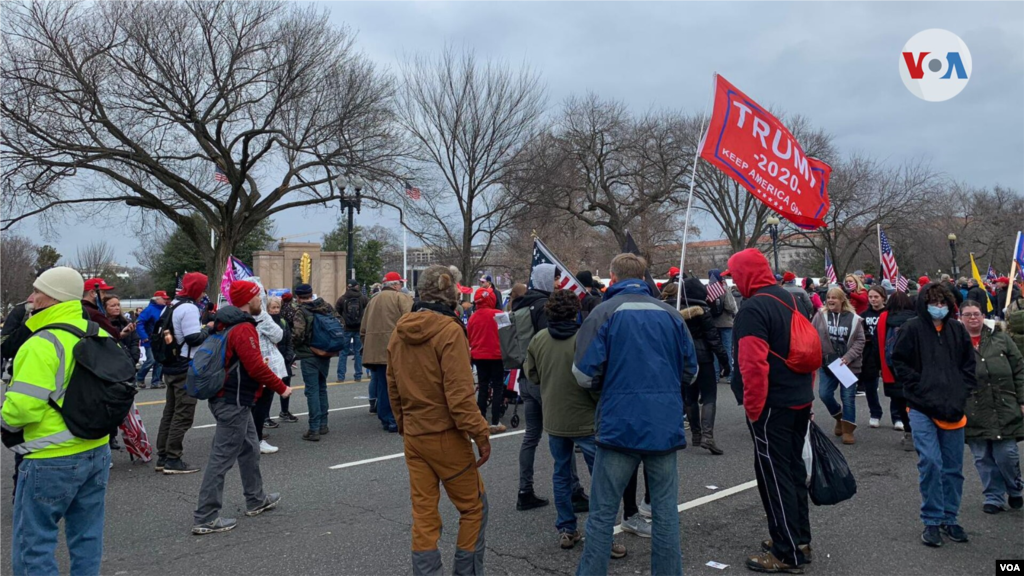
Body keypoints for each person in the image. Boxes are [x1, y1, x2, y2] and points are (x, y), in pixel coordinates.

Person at [573, 253, 697, 576]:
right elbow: (691, 371)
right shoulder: (672, 317)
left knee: (601, 515)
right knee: (666, 515)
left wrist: (607, 386)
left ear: (612, 278)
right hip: (663, 427)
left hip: (618, 426)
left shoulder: (603, 313)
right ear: (643, 278)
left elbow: (583, 374)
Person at [3, 267, 113, 575]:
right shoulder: (99, 334)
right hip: (97, 449)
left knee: (34, 544)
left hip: (50, 456)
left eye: (38, 291)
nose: (32, 297)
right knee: (87, 536)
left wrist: (5, 423)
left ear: (52, 297)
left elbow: (22, 409)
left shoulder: (41, 343)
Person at [386, 265, 490, 575]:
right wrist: (481, 435)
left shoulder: (400, 330)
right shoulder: (449, 330)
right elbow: (460, 397)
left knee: (424, 515)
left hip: (416, 436)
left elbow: (393, 388)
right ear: (450, 292)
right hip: (444, 434)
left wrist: (406, 425)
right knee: (474, 508)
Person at [727, 248, 815, 572]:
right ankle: (798, 537)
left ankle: (785, 551)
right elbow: (809, 347)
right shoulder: (793, 297)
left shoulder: (752, 309)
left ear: (745, 274)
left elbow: (752, 365)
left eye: (735, 275)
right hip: (799, 396)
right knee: (792, 471)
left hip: (771, 403)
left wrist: (753, 408)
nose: (734, 283)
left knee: (773, 476)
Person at [524, 289, 628, 558]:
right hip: (587, 419)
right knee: (602, 480)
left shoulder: (538, 339)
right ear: (575, 312)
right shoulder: (585, 338)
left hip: (555, 418)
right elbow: (595, 377)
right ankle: (603, 536)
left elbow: (531, 374)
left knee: (561, 474)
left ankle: (567, 529)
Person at [192, 280, 292, 535]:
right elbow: (256, 366)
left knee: (249, 449)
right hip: (233, 401)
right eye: (259, 296)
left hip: (230, 398)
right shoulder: (242, 329)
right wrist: (281, 388)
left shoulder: (224, 325)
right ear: (250, 300)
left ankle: (256, 499)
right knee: (221, 458)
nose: (261, 300)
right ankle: (206, 516)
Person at [891, 283, 977, 548]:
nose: (938, 307)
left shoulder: (957, 330)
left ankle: (949, 518)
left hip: (953, 407)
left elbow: (968, 365)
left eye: (943, 302)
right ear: (924, 303)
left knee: (953, 469)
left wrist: (961, 391)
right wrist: (919, 388)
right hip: (921, 407)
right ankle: (931, 520)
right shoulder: (912, 328)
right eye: (934, 302)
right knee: (930, 462)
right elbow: (899, 361)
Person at [959, 300, 1024, 514]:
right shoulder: (957, 343)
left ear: (983, 315)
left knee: (1007, 454)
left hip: (1004, 406)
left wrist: (1022, 400)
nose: (973, 318)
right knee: (982, 457)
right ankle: (993, 496)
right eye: (967, 314)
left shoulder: (1001, 339)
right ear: (960, 318)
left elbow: (1019, 369)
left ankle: (1015, 488)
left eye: (976, 313)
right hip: (973, 408)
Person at [663, 280, 730, 455]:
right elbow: (714, 339)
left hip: (684, 357)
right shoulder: (703, 312)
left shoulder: (672, 312)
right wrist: (724, 362)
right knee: (708, 397)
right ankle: (708, 436)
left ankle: (696, 434)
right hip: (703, 357)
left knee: (690, 396)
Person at [156, 272, 210, 475]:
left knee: (169, 412)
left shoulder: (171, 305)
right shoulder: (188, 308)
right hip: (184, 366)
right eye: (203, 288)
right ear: (196, 288)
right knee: (183, 414)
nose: (204, 292)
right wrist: (209, 329)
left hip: (170, 364)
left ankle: (162, 456)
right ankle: (173, 459)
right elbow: (194, 338)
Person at [513, 263, 556, 511]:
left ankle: (524, 490)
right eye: (556, 278)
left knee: (531, 437)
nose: (559, 283)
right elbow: (548, 343)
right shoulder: (543, 306)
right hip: (542, 379)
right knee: (561, 436)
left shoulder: (521, 304)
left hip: (524, 377)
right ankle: (573, 490)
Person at [360, 272, 414, 433]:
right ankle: (394, 419)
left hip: (376, 351)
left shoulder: (373, 300)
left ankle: (386, 418)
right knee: (398, 386)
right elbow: (411, 323)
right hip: (397, 349)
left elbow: (363, 329)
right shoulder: (401, 299)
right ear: (396, 285)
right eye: (400, 284)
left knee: (383, 385)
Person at [812, 287, 865, 445]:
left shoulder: (854, 318)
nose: (830, 300)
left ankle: (848, 429)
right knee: (824, 394)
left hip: (847, 365)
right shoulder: (820, 316)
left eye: (834, 297)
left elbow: (860, 341)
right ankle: (839, 417)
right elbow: (812, 334)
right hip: (828, 363)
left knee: (848, 397)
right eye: (828, 297)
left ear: (842, 300)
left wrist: (848, 357)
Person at [291, 283, 338, 441]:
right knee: (322, 388)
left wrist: (295, 346)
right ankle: (323, 424)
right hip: (325, 351)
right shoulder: (325, 307)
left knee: (312, 390)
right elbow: (340, 323)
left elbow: (298, 334)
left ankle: (314, 428)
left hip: (308, 353)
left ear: (298, 297)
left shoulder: (301, 311)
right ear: (312, 293)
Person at [251, 284, 287, 454]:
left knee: (251, 404)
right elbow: (278, 334)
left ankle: (250, 437)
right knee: (261, 404)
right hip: (265, 363)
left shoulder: (237, 313)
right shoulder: (260, 316)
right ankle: (256, 439)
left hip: (251, 362)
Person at [877, 291, 916, 447]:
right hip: (913, 366)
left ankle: (908, 433)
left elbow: (877, 343)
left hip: (892, 366)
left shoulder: (884, 318)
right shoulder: (915, 318)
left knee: (899, 400)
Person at [467, 287, 507, 434]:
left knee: (483, 386)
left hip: (479, 356)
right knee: (498, 387)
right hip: (497, 356)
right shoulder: (499, 315)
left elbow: (469, 338)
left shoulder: (473, 317)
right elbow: (507, 336)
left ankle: (481, 418)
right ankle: (495, 420)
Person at [860, 285, 887, 429]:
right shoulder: (864, 315)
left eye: (876, 297)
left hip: (886, 351)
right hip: (869, 353)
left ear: (883, 297)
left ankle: (897, 416)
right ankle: (875, 413)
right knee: (870, 386)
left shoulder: (889, 313)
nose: (873, 300)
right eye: (870, 297)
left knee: (893, 386)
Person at [268, 297, 298, 424]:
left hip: (284, 360)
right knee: (268, 390)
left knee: (285, 387)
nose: (275, 310)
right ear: (268, 309)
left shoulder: (283, 322)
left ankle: (284, 411)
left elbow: (289, 340)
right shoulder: (265, 322)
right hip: (271, 361)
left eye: (277, 307)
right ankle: (265, 417)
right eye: (273, 308)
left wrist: (289, 356)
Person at [336, 279, 367, 384]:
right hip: (359, 328)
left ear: (348, 287)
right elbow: (367, 311)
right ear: (357, 286)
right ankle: (358, 375)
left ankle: (341, 377)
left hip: (346, 329)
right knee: (358, 352)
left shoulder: (342, 299)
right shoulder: (363, 298)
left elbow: (337, 311)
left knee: (343, 353)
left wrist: (343, 321)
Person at [135, 291, 168, 389]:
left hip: (160, 340)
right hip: (150, 340)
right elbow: (139, 323)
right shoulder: (149, 310)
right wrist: (144, 337)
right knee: (151, 360)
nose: (166, 300)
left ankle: (156, 381)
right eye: (164, 298)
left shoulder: (165, 310)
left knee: (159, 361)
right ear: (157, 299)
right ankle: (139, 378)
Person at [710, 268, 738, 378]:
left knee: (715, 350)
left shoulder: (708, 289)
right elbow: (729, 306)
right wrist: (735, 312)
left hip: (713, 323)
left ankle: (716, 374)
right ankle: (729, 374)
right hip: (726, 323)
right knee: (727, 349)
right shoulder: (724, 289)